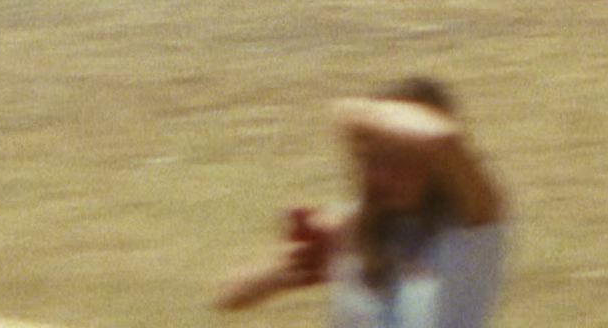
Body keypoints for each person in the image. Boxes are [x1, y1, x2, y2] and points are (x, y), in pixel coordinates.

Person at [216, 78, 509, 327]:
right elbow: (228, 295)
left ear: (439, 168)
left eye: (403, 159)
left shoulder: (474, 226)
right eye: (374, 159)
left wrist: (358, 116)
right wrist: (284, 272)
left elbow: (444, 138)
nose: (383, 175)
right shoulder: (355, 225)